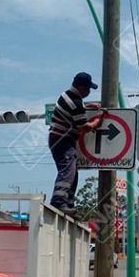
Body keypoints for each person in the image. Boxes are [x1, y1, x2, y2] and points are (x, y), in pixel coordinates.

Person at [48, 72, 104, 214]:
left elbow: (74, 109)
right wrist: (97, 123)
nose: (89, 91)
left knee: (72, 172)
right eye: (88, 88)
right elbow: (84, 127)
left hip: (58, 139)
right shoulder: (76, 103)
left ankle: (68, 202)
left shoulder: (67, 95)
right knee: (67, 170)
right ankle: (59, 202)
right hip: (62, 140)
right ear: (80, 87)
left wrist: (86, 106)